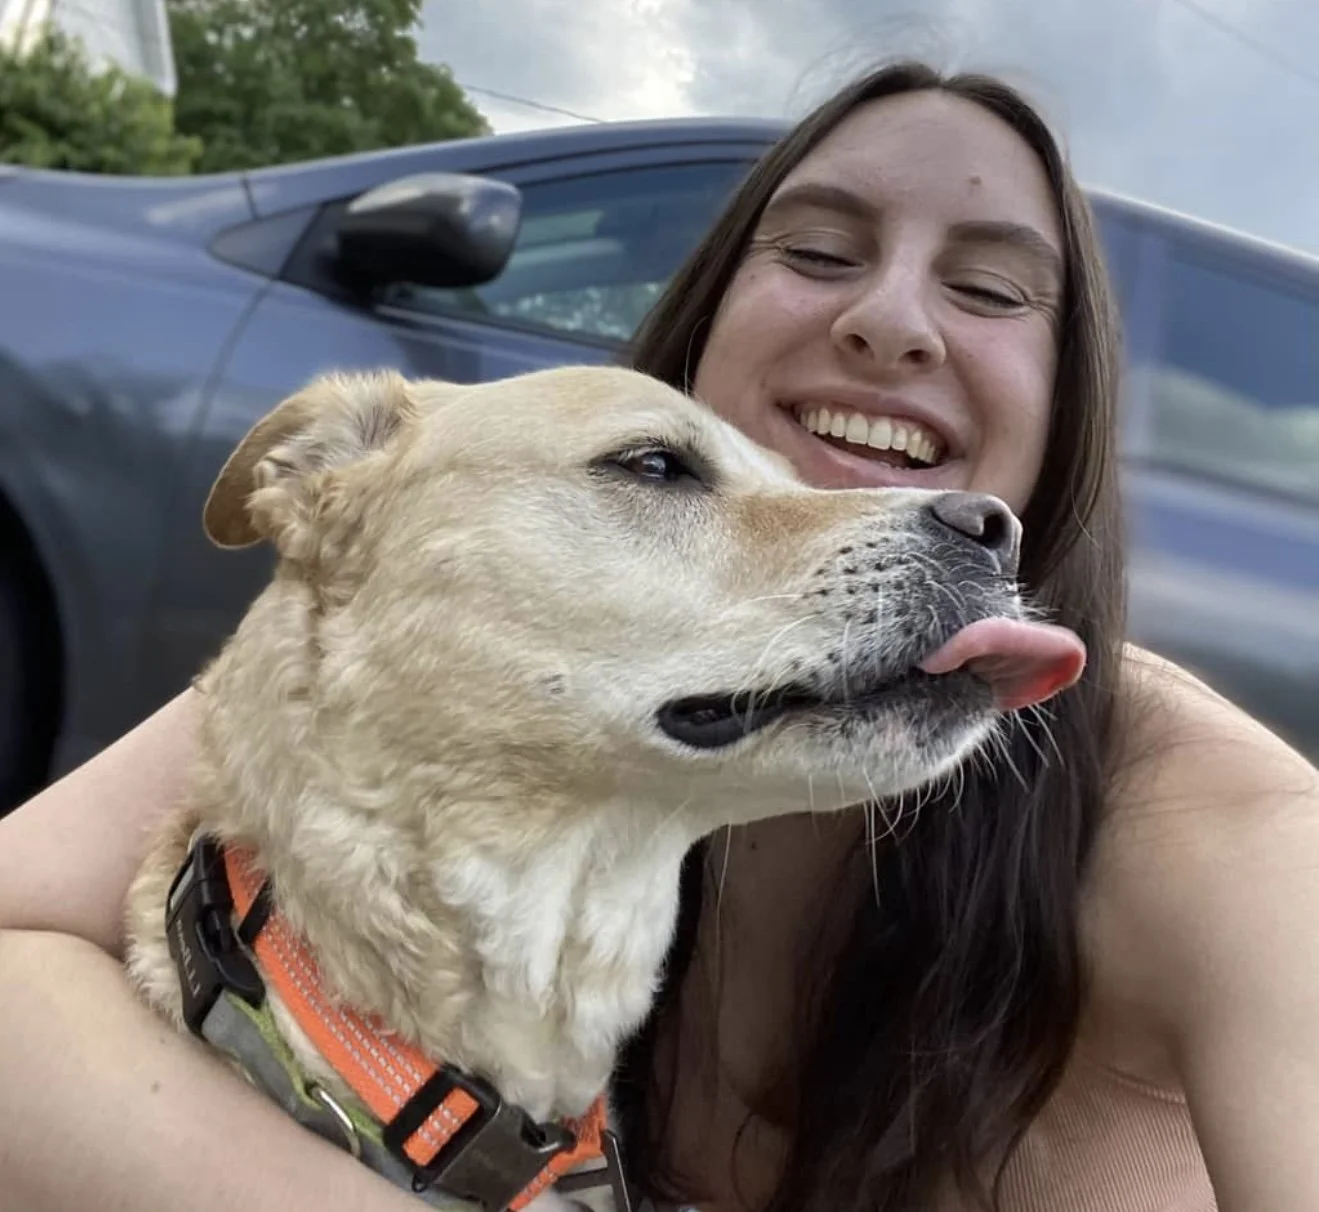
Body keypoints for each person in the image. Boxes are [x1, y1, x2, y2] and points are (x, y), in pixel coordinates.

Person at [1, 58, 1317, 1212]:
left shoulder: (1231, 839)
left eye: (986, 289)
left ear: (1064, 418)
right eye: (813, 252)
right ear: (692, 343)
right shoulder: (446, 629)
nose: (890, 320)